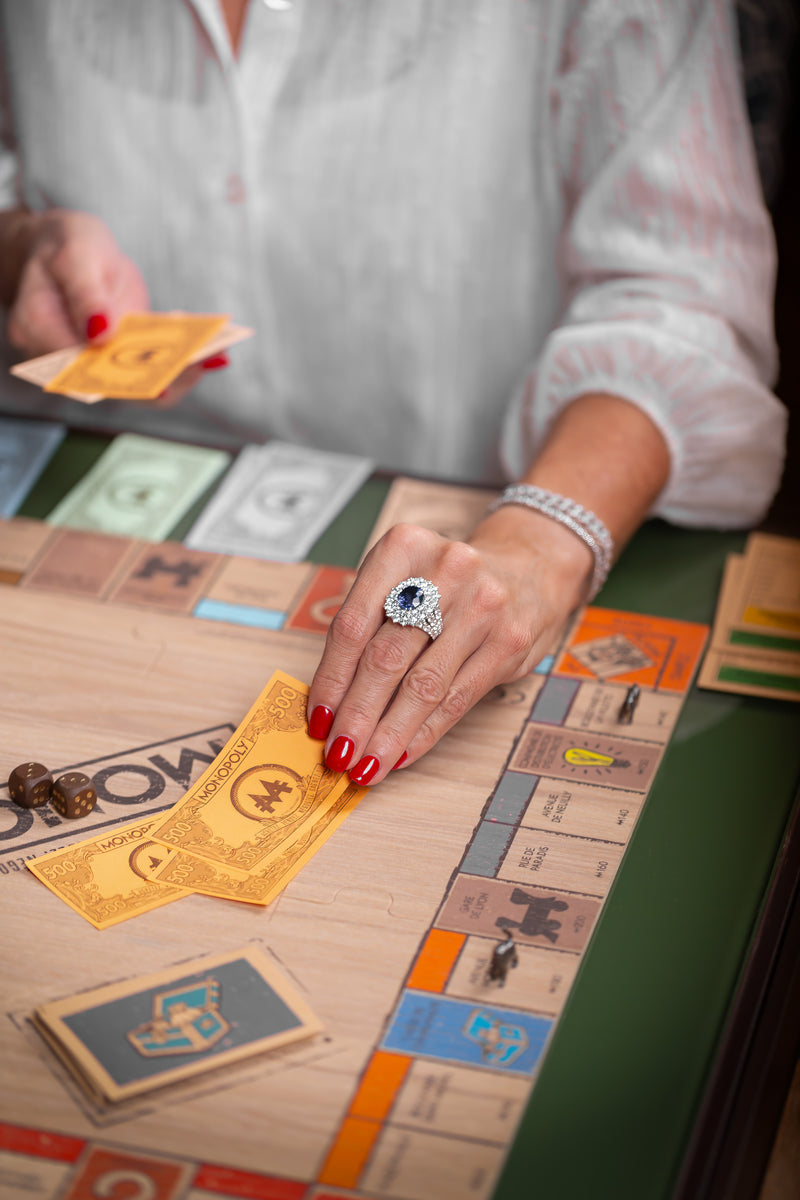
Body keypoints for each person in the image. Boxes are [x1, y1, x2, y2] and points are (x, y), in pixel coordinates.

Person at [0, 0, 787, 787]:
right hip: (76, 497)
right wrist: (19, 249)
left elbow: (686, 302)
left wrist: (545, 540)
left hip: (479, 509)